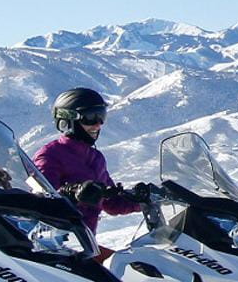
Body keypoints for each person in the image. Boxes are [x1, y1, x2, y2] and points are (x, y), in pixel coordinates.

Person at [31, 87, 151, 253]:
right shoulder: (50, 155)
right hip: (52, 246)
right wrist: (71, 193)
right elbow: (40, 201)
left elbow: (112, 203)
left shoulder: (96, 158)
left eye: (101, 116)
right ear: (67, 120)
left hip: (84, 245)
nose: (98, 124)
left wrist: (143, 199)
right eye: (90, 117)